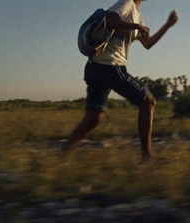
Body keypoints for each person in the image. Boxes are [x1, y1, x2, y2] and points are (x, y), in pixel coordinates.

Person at [63, 0, 178, 160]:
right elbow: (110, 19)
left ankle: (62, 156)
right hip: (110, 66)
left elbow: (148, 43)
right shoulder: (126, 3)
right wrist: (136, 27)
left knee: (93, 118)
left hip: (95, 67)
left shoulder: (137, 16)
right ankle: (147, 155)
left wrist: (167, 25)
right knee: (147, 101)